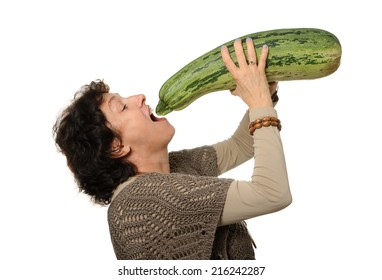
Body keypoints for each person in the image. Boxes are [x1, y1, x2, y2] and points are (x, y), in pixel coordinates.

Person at [53, 38, 292, 260]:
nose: (140, 97)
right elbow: (272, 194)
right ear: (117, 146)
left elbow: (240, 146)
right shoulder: (142, 202)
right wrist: (259, 103)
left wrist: (265, 93)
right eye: (123, 107)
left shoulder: (171, 170)